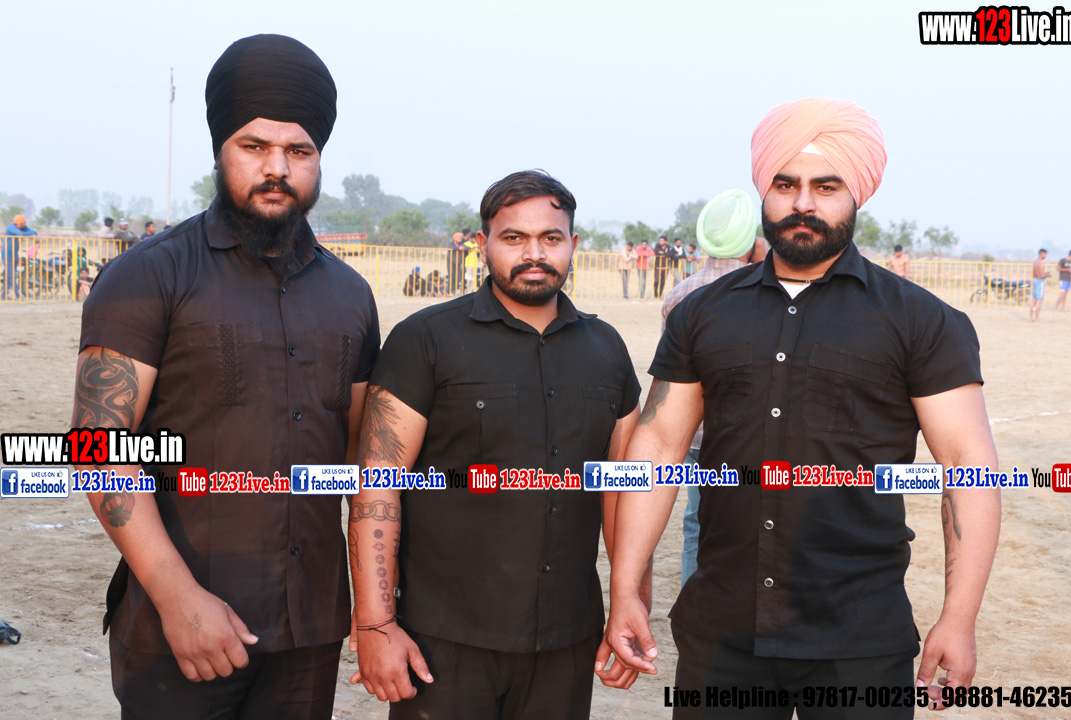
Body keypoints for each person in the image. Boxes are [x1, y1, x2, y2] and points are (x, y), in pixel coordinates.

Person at [602, 98, 1000, 719]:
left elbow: (968, 466)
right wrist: (626, 589)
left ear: (856, 193)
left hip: (859, 635)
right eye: (785, 185)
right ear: (764, 190)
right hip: (722, 629)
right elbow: (657, 446)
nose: (803, 202)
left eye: (826, 186)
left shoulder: (922, 320)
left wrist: (960, 616)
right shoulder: (703, 313)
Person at [72, 34, 380, 719]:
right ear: (220, 150)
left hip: (309, 631)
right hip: (180, 629)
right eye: (254, 146)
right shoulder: (148, 275)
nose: (277, 168)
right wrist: (178, 598)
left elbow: (364, 460)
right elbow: (96, 453)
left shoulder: (352, 295)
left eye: (299, 151)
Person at [348, 170, 645, 719]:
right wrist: (375, 622)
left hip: (566, 639)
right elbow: (376, 486)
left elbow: (626, 495)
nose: (534, 254)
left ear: (574, 244)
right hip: (443, 641)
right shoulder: (425, 339)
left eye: (551, 238)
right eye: (514, 238)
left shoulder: (607, 349)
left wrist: (633, 602)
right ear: (483, 244)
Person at [659, 189, 765, 587]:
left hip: (695, 433)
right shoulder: (763, 291)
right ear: (752, 242)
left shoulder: (679, 294)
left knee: (697, 519)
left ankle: (694, 594)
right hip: (749, 433)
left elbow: (672, 372)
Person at [3, 213, 37, 300]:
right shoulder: (11, 228)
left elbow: (34, 232)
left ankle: (3, 295)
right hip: (7, 256)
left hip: (15, 256)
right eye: (23, 223)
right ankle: (18, 295)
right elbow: (21, 234)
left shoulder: (23, 228)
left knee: (9, 276)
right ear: (18, 223)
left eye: (25, 223)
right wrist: (29, 235)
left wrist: (29, 233)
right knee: (11, 276)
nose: (25, 224)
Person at [1030, 248, 1051, 322]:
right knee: (1039, 300)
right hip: (1040, 282)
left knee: (1034, 300)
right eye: (1045, 254)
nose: (1046, 256)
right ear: (1041, 254)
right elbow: (1041, 275)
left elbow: (1034, 274)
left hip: (1035, 281)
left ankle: (1031, 318)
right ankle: (1037, 319)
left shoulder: (1035, 262)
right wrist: (1047, 275)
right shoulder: (1041, 263)